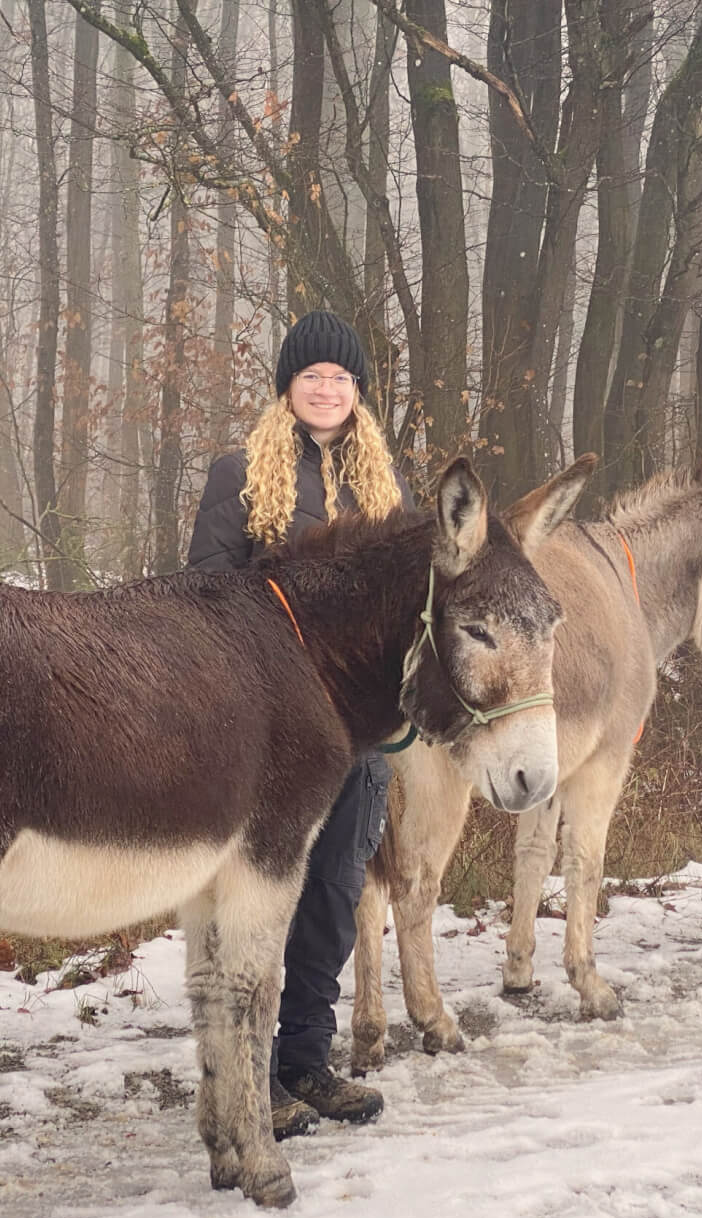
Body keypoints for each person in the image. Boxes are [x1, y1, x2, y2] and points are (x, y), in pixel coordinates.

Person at [185, 309, 407, 1139]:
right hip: (272, 732)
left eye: (340, 377)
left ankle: (305, 1061)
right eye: (311, 375)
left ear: (358, 393)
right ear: (287, 386)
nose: (325, 388)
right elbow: (208, 592)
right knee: (258, 903)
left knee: (333, 895)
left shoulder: (383, 488)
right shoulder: (238, 472)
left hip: (357, 734)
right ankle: (246, 1081)